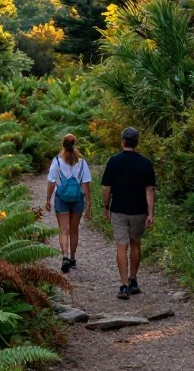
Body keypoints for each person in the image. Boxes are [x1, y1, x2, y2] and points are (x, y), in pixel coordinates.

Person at [101, 127, 156, 300]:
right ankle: (133, 281)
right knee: (136, 244)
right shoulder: (145, 163)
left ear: (123, 141)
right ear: (137, 142)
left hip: (118, 210)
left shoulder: (114, 161)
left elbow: (107, 187)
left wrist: (106, 206)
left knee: (121, 245)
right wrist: (150, 213)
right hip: (139, 211)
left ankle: (124, 286)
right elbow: (150, 190)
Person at [45, 133, 92, 274]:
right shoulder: (82, 162)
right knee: (74, 230)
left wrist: (48, 199)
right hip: (77, 200)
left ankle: (64, 256)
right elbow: (85, 185)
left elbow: (51, 182)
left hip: (62, 200)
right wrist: (88, 203)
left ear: (62, 145)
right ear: (75, 144)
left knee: (63, 230)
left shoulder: (57, 161)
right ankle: (72, 259)